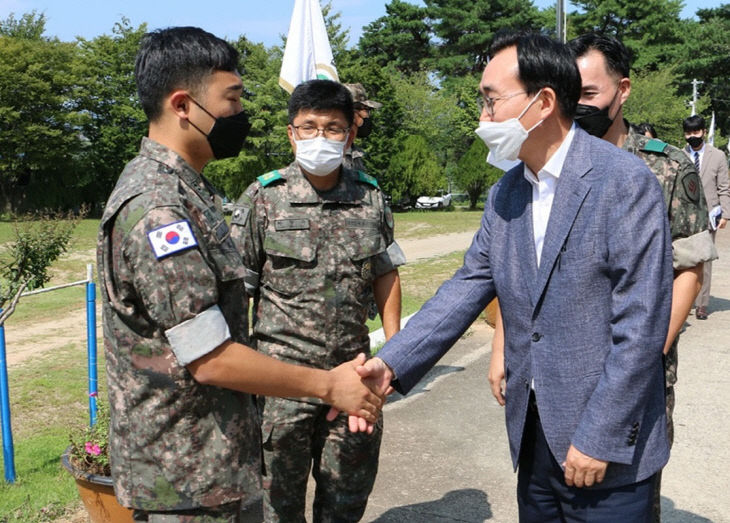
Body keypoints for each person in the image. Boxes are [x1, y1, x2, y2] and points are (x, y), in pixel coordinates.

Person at [357, 31, 673, 522]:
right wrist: (391, 363)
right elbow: (465, 286)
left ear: (544, 102)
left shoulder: (624, 184)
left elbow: (642, 326)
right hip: (534, 432)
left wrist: (599, 435)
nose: (482, 117)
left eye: (491, 100)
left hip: (604, 445)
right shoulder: (506, 193)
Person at [97, 28, 382, 522]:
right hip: (187, 477)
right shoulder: (159, 209)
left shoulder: (188, 192)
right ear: (184, 104)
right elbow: (209, 358)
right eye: (231, 99)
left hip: (213, 465)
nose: (240, 114)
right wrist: (328, 386)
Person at [491, 32, 716, 522]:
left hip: (635, 362)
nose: (580, 104)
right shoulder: (536, 169)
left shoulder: (660, 166)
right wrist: (503, 347)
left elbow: (689, 268)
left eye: (589, 93)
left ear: (624, 89)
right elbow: (521, 274)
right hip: (552, 373)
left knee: (625, 485)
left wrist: (641, 355)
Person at [230, 79, 403, 522]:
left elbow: (386, 274)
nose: (320, 137)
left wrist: (396, 353)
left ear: (349, 134)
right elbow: (237, 292)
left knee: (345, 503)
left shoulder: (370, 196)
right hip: (280, 382)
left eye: (332, 128)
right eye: (309, 127)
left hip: (353, 377)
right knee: (276, 508)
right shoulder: (263, 199)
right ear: (291, 133)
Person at [683, 114, 730, 319]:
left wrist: (726, 215)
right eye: (688, 133)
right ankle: (685, 300)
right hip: (684, 215)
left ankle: (702, 303)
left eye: (696, 132)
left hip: (710, 214)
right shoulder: (679, 155)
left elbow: (724, 188)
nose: (692, 136)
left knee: (705, 260)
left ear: (703, 132)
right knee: (684, 259)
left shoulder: (718, 156)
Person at [342, 82, 382, 173]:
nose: (366, 115)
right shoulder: (333, 152)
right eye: (364, 108)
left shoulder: (355, 153)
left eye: (368, 109)